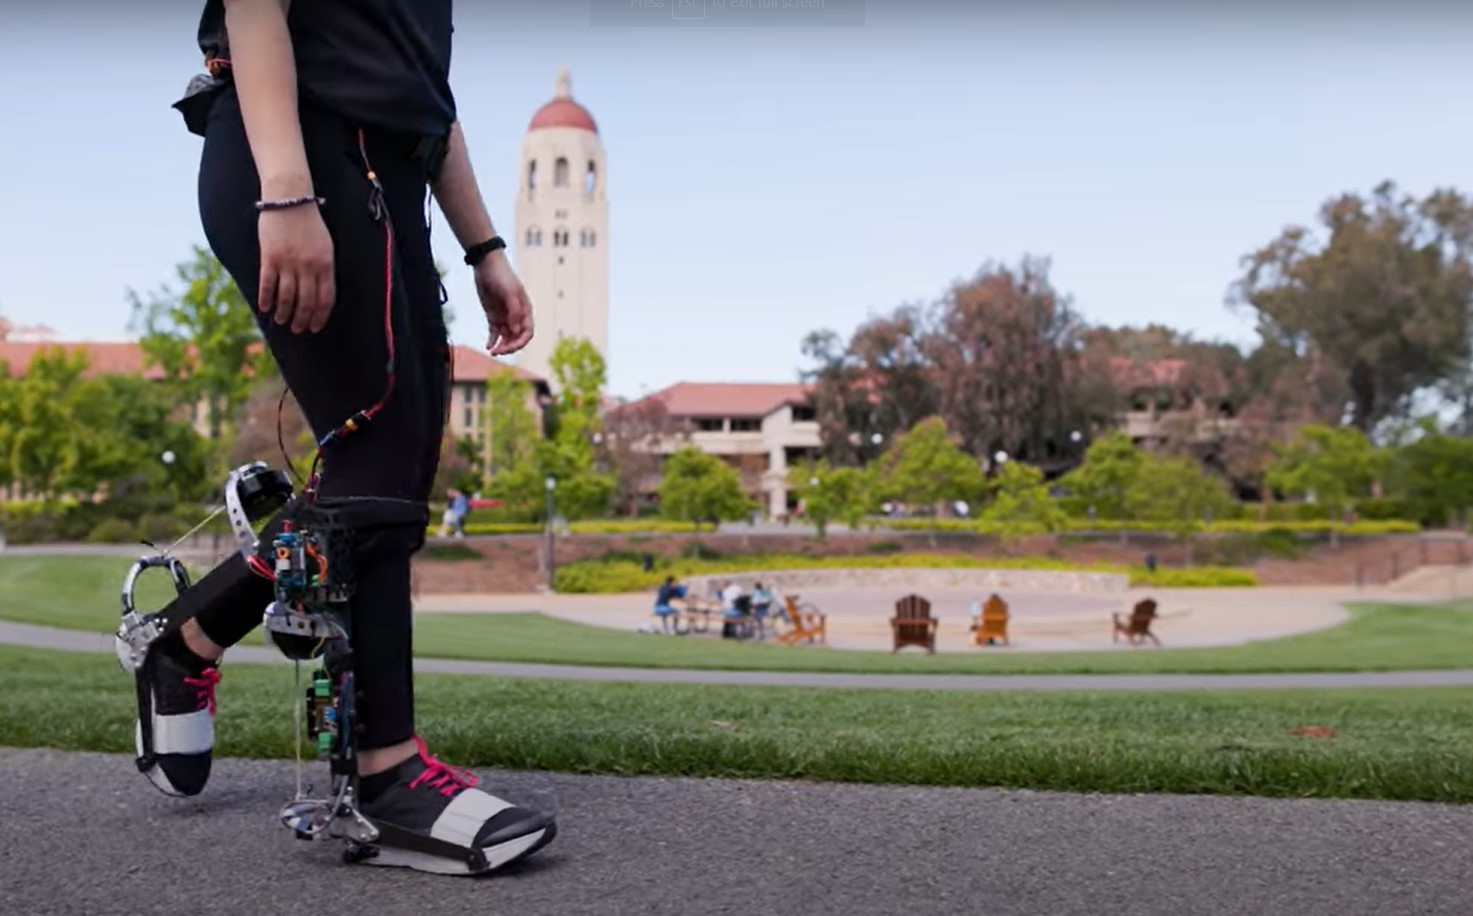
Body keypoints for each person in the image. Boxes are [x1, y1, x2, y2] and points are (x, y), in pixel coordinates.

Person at [129, 0, 555, 874]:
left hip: (387, 175)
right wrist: (285, 189)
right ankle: (385, 777)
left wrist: (484, 247)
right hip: (301, 152)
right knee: (373, 461)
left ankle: (185, 642)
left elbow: (424, 93)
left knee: (386, 472)